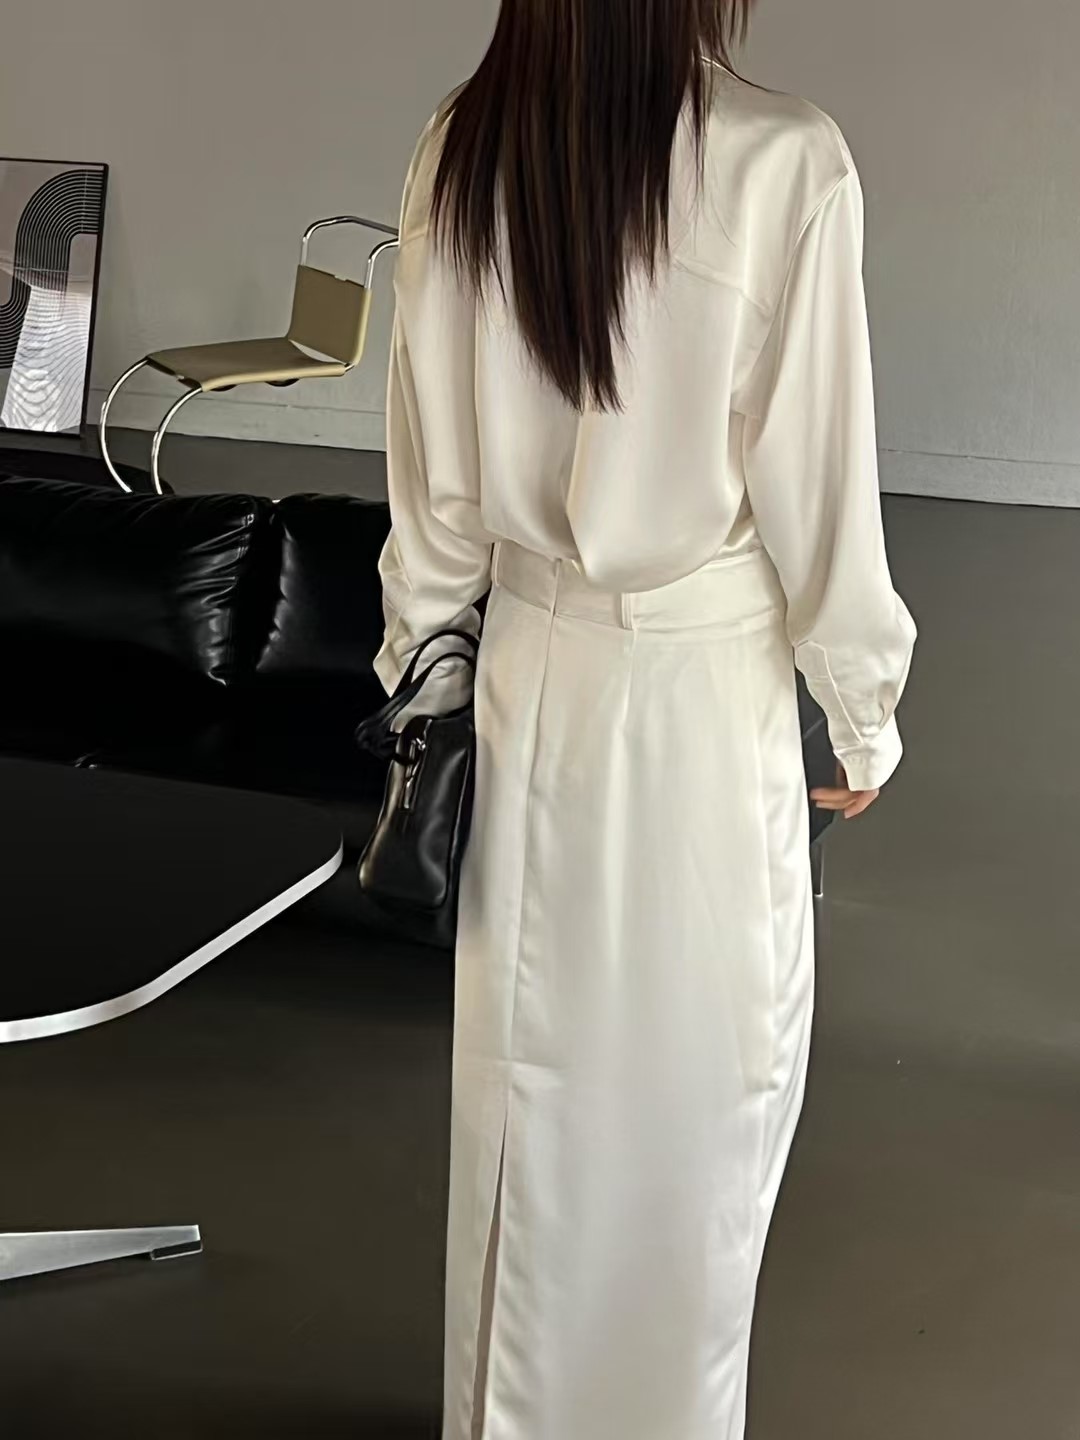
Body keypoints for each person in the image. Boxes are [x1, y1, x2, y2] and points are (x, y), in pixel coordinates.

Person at [373, 2, 916, 1435]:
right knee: (704, 1105)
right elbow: (821, 485)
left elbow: (429, 483)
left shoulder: (462, 149)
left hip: (528, 673)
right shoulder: (783, 161)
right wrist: (860, 708)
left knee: (528, 1108)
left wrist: (425, 663)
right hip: (698, 697)